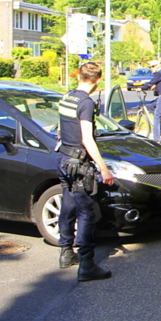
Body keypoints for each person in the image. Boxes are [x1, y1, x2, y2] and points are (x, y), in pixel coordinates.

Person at [56, 62, 116, 281]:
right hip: (79, 164)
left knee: (68, 205)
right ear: (97, 80)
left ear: (79, 76)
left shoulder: (67, 97)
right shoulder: (86, 102)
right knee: (86, 213)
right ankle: (87, 265)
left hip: (63, 159)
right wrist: (103, 168)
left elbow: (61, 129)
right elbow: (87, 138)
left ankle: (65, 253)